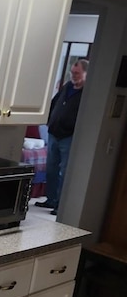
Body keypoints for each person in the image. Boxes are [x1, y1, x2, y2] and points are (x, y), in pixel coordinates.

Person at [36, 59, 88, 215]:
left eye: (77, 73)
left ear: (86, 73)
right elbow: (53, 104)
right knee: (51, 169)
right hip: (54, 133)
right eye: (72, 73)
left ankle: (60, 205)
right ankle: (50, 200)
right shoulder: (67, 87)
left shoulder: (87, 94)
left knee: (64, 171)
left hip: (69, 136)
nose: (73, 76)